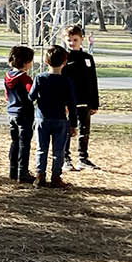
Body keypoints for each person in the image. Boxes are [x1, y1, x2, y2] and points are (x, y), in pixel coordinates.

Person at [30, 45, 77, 188]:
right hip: (60, 119)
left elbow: (31, 96)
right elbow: (72, 104)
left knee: (41, 148)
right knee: (59, 151)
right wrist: (73, 124)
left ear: (45, 61)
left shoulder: (39, 78)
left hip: (42, 118)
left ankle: (40, 176)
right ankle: (56, 177)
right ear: (65, 62)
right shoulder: (67, 81)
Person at [60, 24, 101, 171]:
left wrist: (95, 103)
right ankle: (65, 158)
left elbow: (93, 80)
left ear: (81, 39)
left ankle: (83, 158)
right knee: (68, 129)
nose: (72, 43)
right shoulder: (63, 57)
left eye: (75, 39)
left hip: (85, 101)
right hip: (68, 101)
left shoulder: (87, 58)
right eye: (69, 40)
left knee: (84, 129)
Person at [4, 45, 37, 184]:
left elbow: (6, 95)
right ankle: (22, 172)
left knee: (15, 141)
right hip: (24, 113)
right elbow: (32, 94)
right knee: (24, 143)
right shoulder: (25, 79)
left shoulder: (8, 76)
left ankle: (13, 170)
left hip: (11, 111)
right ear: (26, 62)